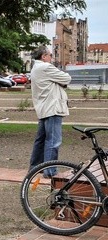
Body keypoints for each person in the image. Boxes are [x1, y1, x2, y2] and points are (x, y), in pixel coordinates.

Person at [29, 46, 71, 177]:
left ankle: (35, 167)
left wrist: (57, 82)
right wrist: (60, 82)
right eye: (50, 55)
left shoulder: (35, 68)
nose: (51, 58)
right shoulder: (46, 67)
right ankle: (49, 171)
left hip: (43, 108)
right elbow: (66, 78)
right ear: (43, 56)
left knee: (40, 139)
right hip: (52, 108)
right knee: (53, 140)